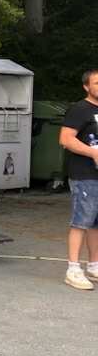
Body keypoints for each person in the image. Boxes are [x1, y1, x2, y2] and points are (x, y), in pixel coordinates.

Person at [59, 68, 98, 290]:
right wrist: (93, 153)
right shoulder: (79, 109)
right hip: (84, 175)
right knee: (81, 221)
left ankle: (94, 265)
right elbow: (65, 139)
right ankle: (73, 269)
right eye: (97, 83)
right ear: (86, 87)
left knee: (96, 223)